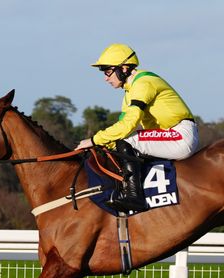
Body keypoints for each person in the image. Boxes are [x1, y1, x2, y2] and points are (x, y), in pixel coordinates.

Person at [76, 43, 199, 212]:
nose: (106, 78)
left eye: (107, 71)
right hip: (168, 134)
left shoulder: (144, 83)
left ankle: (134, 197)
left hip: (180, 134)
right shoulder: (129, 92)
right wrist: (103, 144)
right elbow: (121, 125)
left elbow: (128, 125)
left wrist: (94, 140)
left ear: (124, 68)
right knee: (116, 144)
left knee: (127, 141)